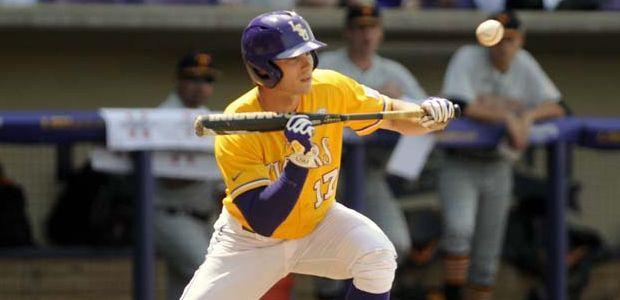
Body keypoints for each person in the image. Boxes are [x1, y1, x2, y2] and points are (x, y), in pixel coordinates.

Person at [180, 10, 457, 300]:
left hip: (319, 222)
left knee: (377, 254)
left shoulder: (330, 87)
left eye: (309, 54)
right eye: (293, 58)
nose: (306, 65)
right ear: (264, 69)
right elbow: (265, 219)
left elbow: (391, 115)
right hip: (252, 241)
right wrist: (297, 164)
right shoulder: (238, 122)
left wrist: (427, 117)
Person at [438, 10, 565, 300]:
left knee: (486, 257)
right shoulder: (467, 56)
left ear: (520, 41)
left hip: (497, 165)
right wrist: (507, 117)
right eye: (498, 38)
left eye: (511, 39)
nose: (504, 45)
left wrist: (529, 115)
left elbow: (559, 107)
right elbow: (457, 104)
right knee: (459, 231)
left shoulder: (524, 63)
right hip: (461, 161)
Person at [317, 4, 426, 298]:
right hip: (326, 170)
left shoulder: (393, 71)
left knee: (397, 242)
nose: (366, 35)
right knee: (326, 256)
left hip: (370, 173)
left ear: (380, 33)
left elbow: (428, 115)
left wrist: (401, 102)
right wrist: (377, 103)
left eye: (372, 28)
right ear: (348, 32)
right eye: (359, 28)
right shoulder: (327, 65)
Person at [154, 50, 223, 300]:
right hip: (169, 213)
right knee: (208, 274)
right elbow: (168, 180)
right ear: (179, 81)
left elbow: (219, 186)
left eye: (207, 80)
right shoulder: (162, 117)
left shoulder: (211, 116)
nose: (200, 86)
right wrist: (210, 166)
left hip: (204, 217)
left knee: (183, 288)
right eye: (192, 78)